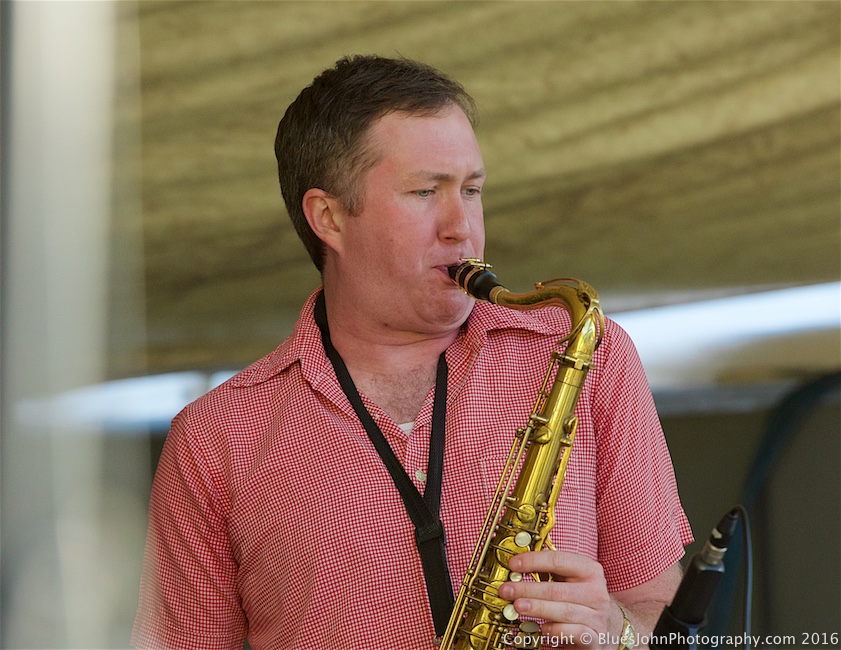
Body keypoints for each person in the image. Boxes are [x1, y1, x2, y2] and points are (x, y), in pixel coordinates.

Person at [132, 55, 693, 650]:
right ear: (329, 218)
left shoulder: (584, 353)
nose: (462, 228)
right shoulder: (215, 438)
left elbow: (663, 619)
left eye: (471, 191)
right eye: (426, 192)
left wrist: (617, 630)